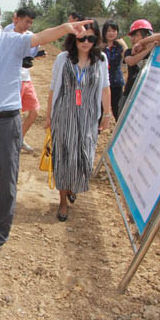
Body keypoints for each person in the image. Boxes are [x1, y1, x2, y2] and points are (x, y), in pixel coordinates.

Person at [0, 0, 93, 256]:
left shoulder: (13, 42)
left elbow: (40, 37)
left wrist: (65, 28)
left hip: (5, 124)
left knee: (6, 182)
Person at [45, 20, 111, 222]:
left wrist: (107, 114)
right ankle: (63, 202)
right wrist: (48, 115)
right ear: (74, 38)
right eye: (82, 38)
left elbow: (105, 88)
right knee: (63, 158)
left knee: (84, 158)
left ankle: (73, 187)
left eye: (91, 38)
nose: (86, 42)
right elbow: (53, 88)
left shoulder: (101, 59)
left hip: (88, 118)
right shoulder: (63, 59)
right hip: (64, 115)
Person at [3, 7, 46, 153]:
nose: (28, 25)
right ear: (17, 19)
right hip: (12, 80)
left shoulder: (30, 36)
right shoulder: (7, 35)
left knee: (34, 111)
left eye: (31, 22)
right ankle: (6, 144)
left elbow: (30, 56)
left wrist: (36, 56)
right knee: (12, 114)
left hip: (26, 79)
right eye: (26, 21)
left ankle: (19, 139)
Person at [120, 19, 156, 111]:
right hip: (129, 95)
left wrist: (141, 43)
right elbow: (131, 61)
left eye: (136, 35)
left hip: (145, 97)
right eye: (132, 36)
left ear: (147, 36)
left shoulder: (153, 53)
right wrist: (148, 49)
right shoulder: (129, 52)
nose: (132, 39)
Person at [102, 20, 125, 121]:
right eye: (108, 31)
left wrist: (124, 45)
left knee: (118, 110)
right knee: (99, 110)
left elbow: (127, 59)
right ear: (104, 32)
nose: (111, 33)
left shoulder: (120, 47)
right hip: (102, 84)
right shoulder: (100, 47)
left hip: (116, 83)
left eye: (114, 31)